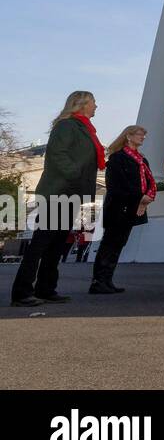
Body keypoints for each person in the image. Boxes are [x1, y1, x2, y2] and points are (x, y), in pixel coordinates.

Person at [10, 91, 103, 307]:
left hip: (72, 192)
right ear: (81, 104)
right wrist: (75, 175)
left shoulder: (85, 128)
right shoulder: (67, 126)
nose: (97, 106)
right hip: (59, 191)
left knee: (57, 243)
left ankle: (46, 288)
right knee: (41, 243)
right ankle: (22, 292)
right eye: (94, 103)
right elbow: (58, 154)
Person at [90, 125, 156, 294]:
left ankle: (107, 280)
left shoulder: (142, 160)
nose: (143, 137)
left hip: (132, 208)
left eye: (144, 135)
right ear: (128, 136)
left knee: (119, 243)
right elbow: (116, 185)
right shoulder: (117, 158)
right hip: (118, 207)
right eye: (140, 134)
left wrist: (146, 198)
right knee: (110, 243)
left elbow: (149, 182)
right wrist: (139, 197)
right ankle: (98, 281)